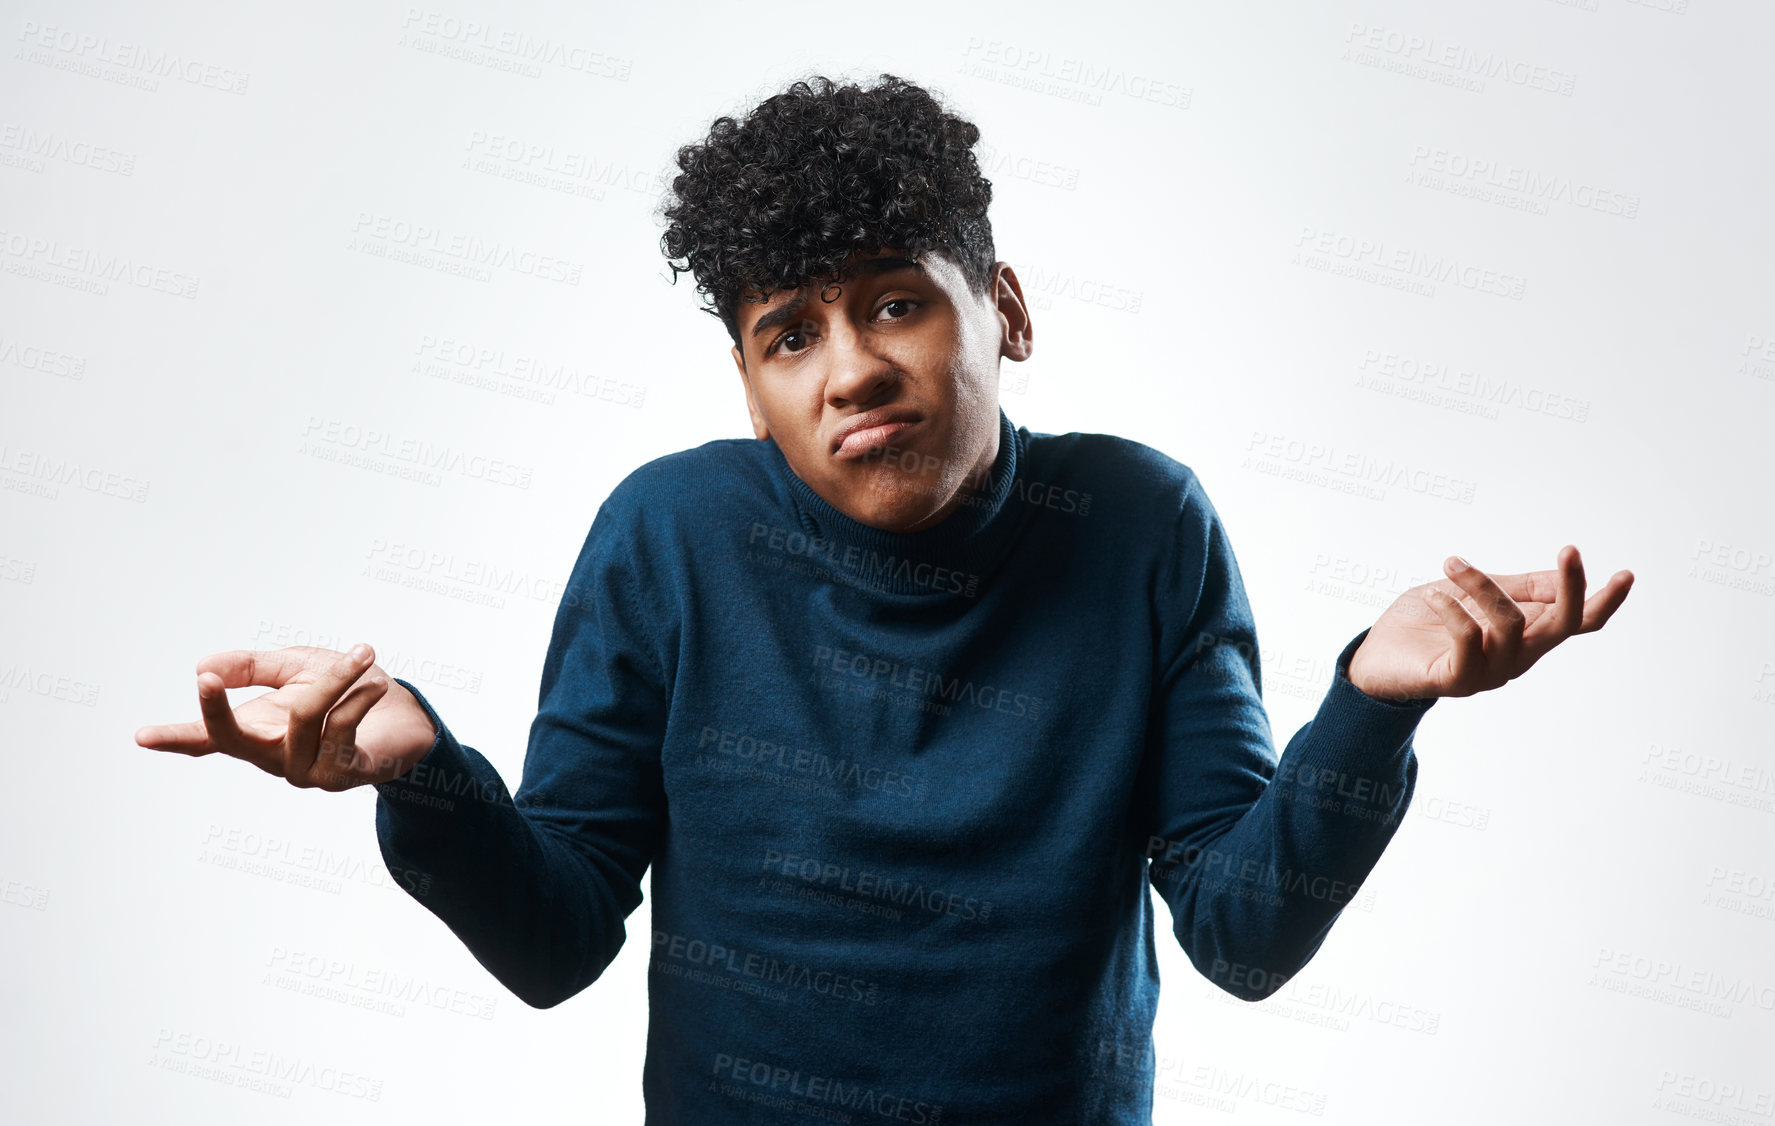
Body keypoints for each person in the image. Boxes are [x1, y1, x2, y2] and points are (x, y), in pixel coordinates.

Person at [136, 73, 1634, 1124]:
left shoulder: (1138, 524)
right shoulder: (668, 537)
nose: (848, 365)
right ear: (749, 381)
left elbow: (1243, 931)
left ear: (1008, 310)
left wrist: (1370, 705)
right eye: (788, 333)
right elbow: (557, 937)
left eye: (895, 300)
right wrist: (425, 776)